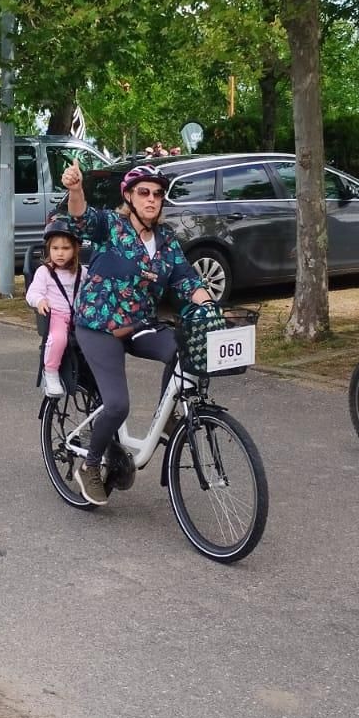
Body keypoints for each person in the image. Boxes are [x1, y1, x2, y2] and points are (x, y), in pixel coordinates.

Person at [60, 161, 215, 506]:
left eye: (158, 194)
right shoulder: (111, 227)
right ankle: (90, 464)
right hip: (100, 326)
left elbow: (187, 280)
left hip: (140, 324)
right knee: (117, 405)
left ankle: (170, 414)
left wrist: (210, 306)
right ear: (129, 196)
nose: (152, 199)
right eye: (143, 192)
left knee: (183, 346)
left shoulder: (166, 241)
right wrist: (75, 190)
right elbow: (83, 217)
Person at [25, 214, 84, 397]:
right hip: (56, 314)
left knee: (94, 339)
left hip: (78, 316)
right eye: (55, 248)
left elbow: (92, 291)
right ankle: (50, 372)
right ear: (48, 250)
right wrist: (40, 301)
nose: (60, 253)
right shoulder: (45, 271)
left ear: (75, 250)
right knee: (58, 339)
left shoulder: (82, 272)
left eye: (66, 248)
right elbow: (33, 292)